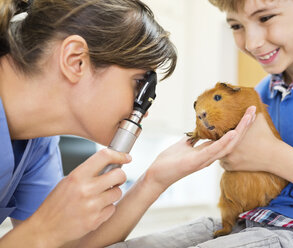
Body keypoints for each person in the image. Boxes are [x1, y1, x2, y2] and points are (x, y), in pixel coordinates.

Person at [116, 0, 293, 247]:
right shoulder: (261, 93)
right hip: (255, 221)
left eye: (266, 17)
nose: (251, 42)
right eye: (236, 26)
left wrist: (274, 157)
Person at [0, 0, 256, 247]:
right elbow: (42, 236)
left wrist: (154, 179)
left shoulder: (36, 144)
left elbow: (62, 245)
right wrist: (45, 227)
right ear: (75, 60)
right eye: (137, 84)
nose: (142, 113)